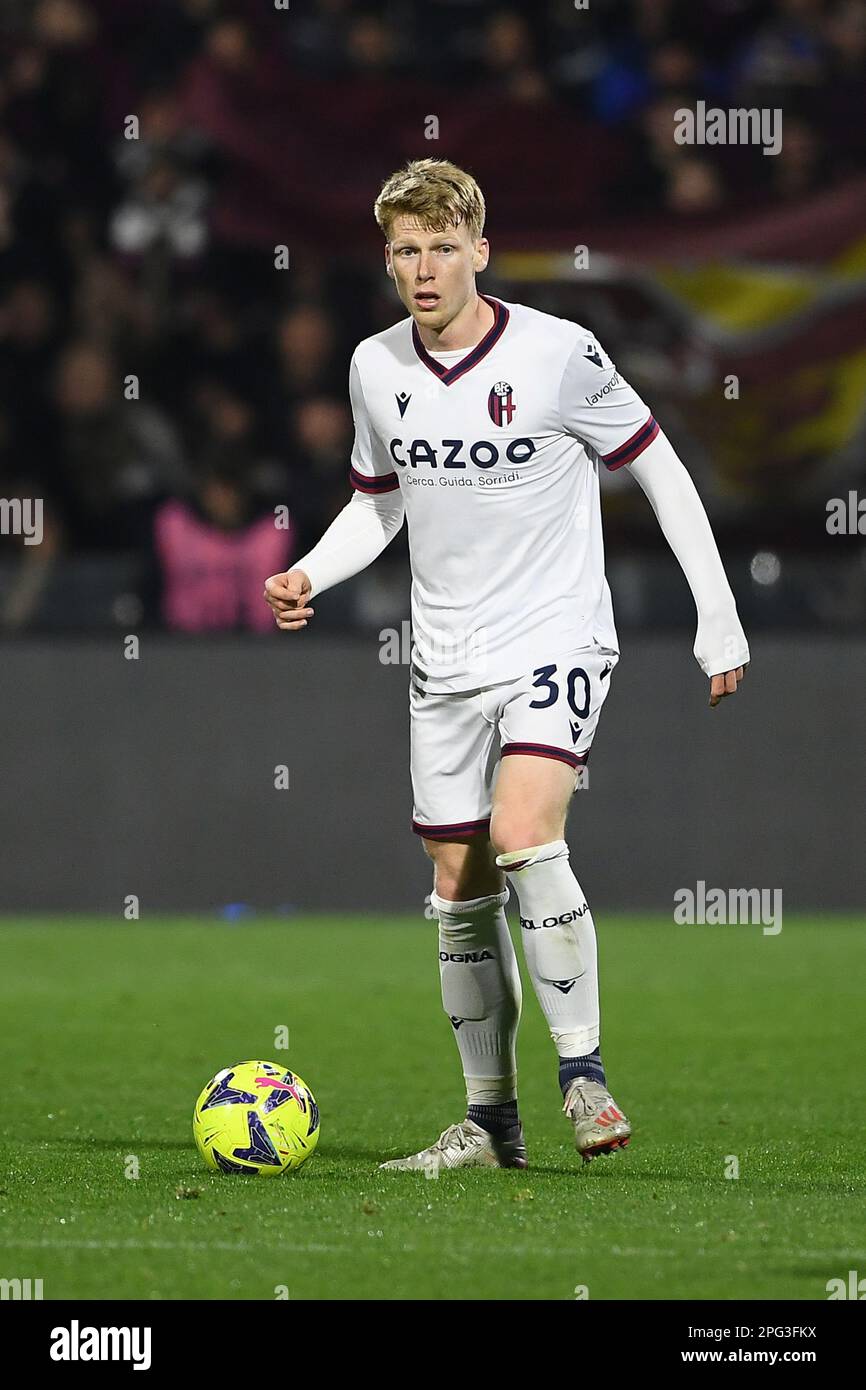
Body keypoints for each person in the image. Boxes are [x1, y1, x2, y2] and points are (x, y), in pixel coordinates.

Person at [263, 159, 749, 1172]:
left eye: (444, 246)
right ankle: (490, 1123)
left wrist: (717, 612)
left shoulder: (557, 354)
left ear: (480, 250)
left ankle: (583, 1077)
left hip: (553, 635)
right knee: (457, 886)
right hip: (441, 659)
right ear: (387, 259)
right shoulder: (373, 366)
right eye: (406, 249)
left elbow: (654, 464)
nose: (425, 267)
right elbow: (378, 500)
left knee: (523, 831)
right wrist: (309, 569)